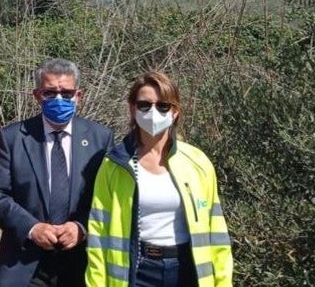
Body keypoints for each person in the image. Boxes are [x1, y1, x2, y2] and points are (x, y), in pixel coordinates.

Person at [86, 71, 232, 287]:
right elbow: (98, 233)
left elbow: (217, 232)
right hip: (138, 271)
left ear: (175, 112)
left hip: (188, 270)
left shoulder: (197, 162)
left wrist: (222, 282)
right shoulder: (114, 166)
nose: (153, 112)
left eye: (163, 105)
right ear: (132, 109)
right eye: (145, 105)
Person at [0, 58, 114, 287]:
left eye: (66, 93)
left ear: (78, 96)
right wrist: (32, 228)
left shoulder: (100, 139)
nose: (59, 99)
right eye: (50, 93)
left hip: (81, 262)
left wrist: (81, 228)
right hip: (26, 262)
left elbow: (109, 198)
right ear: (37, 95)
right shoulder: (13, 138)